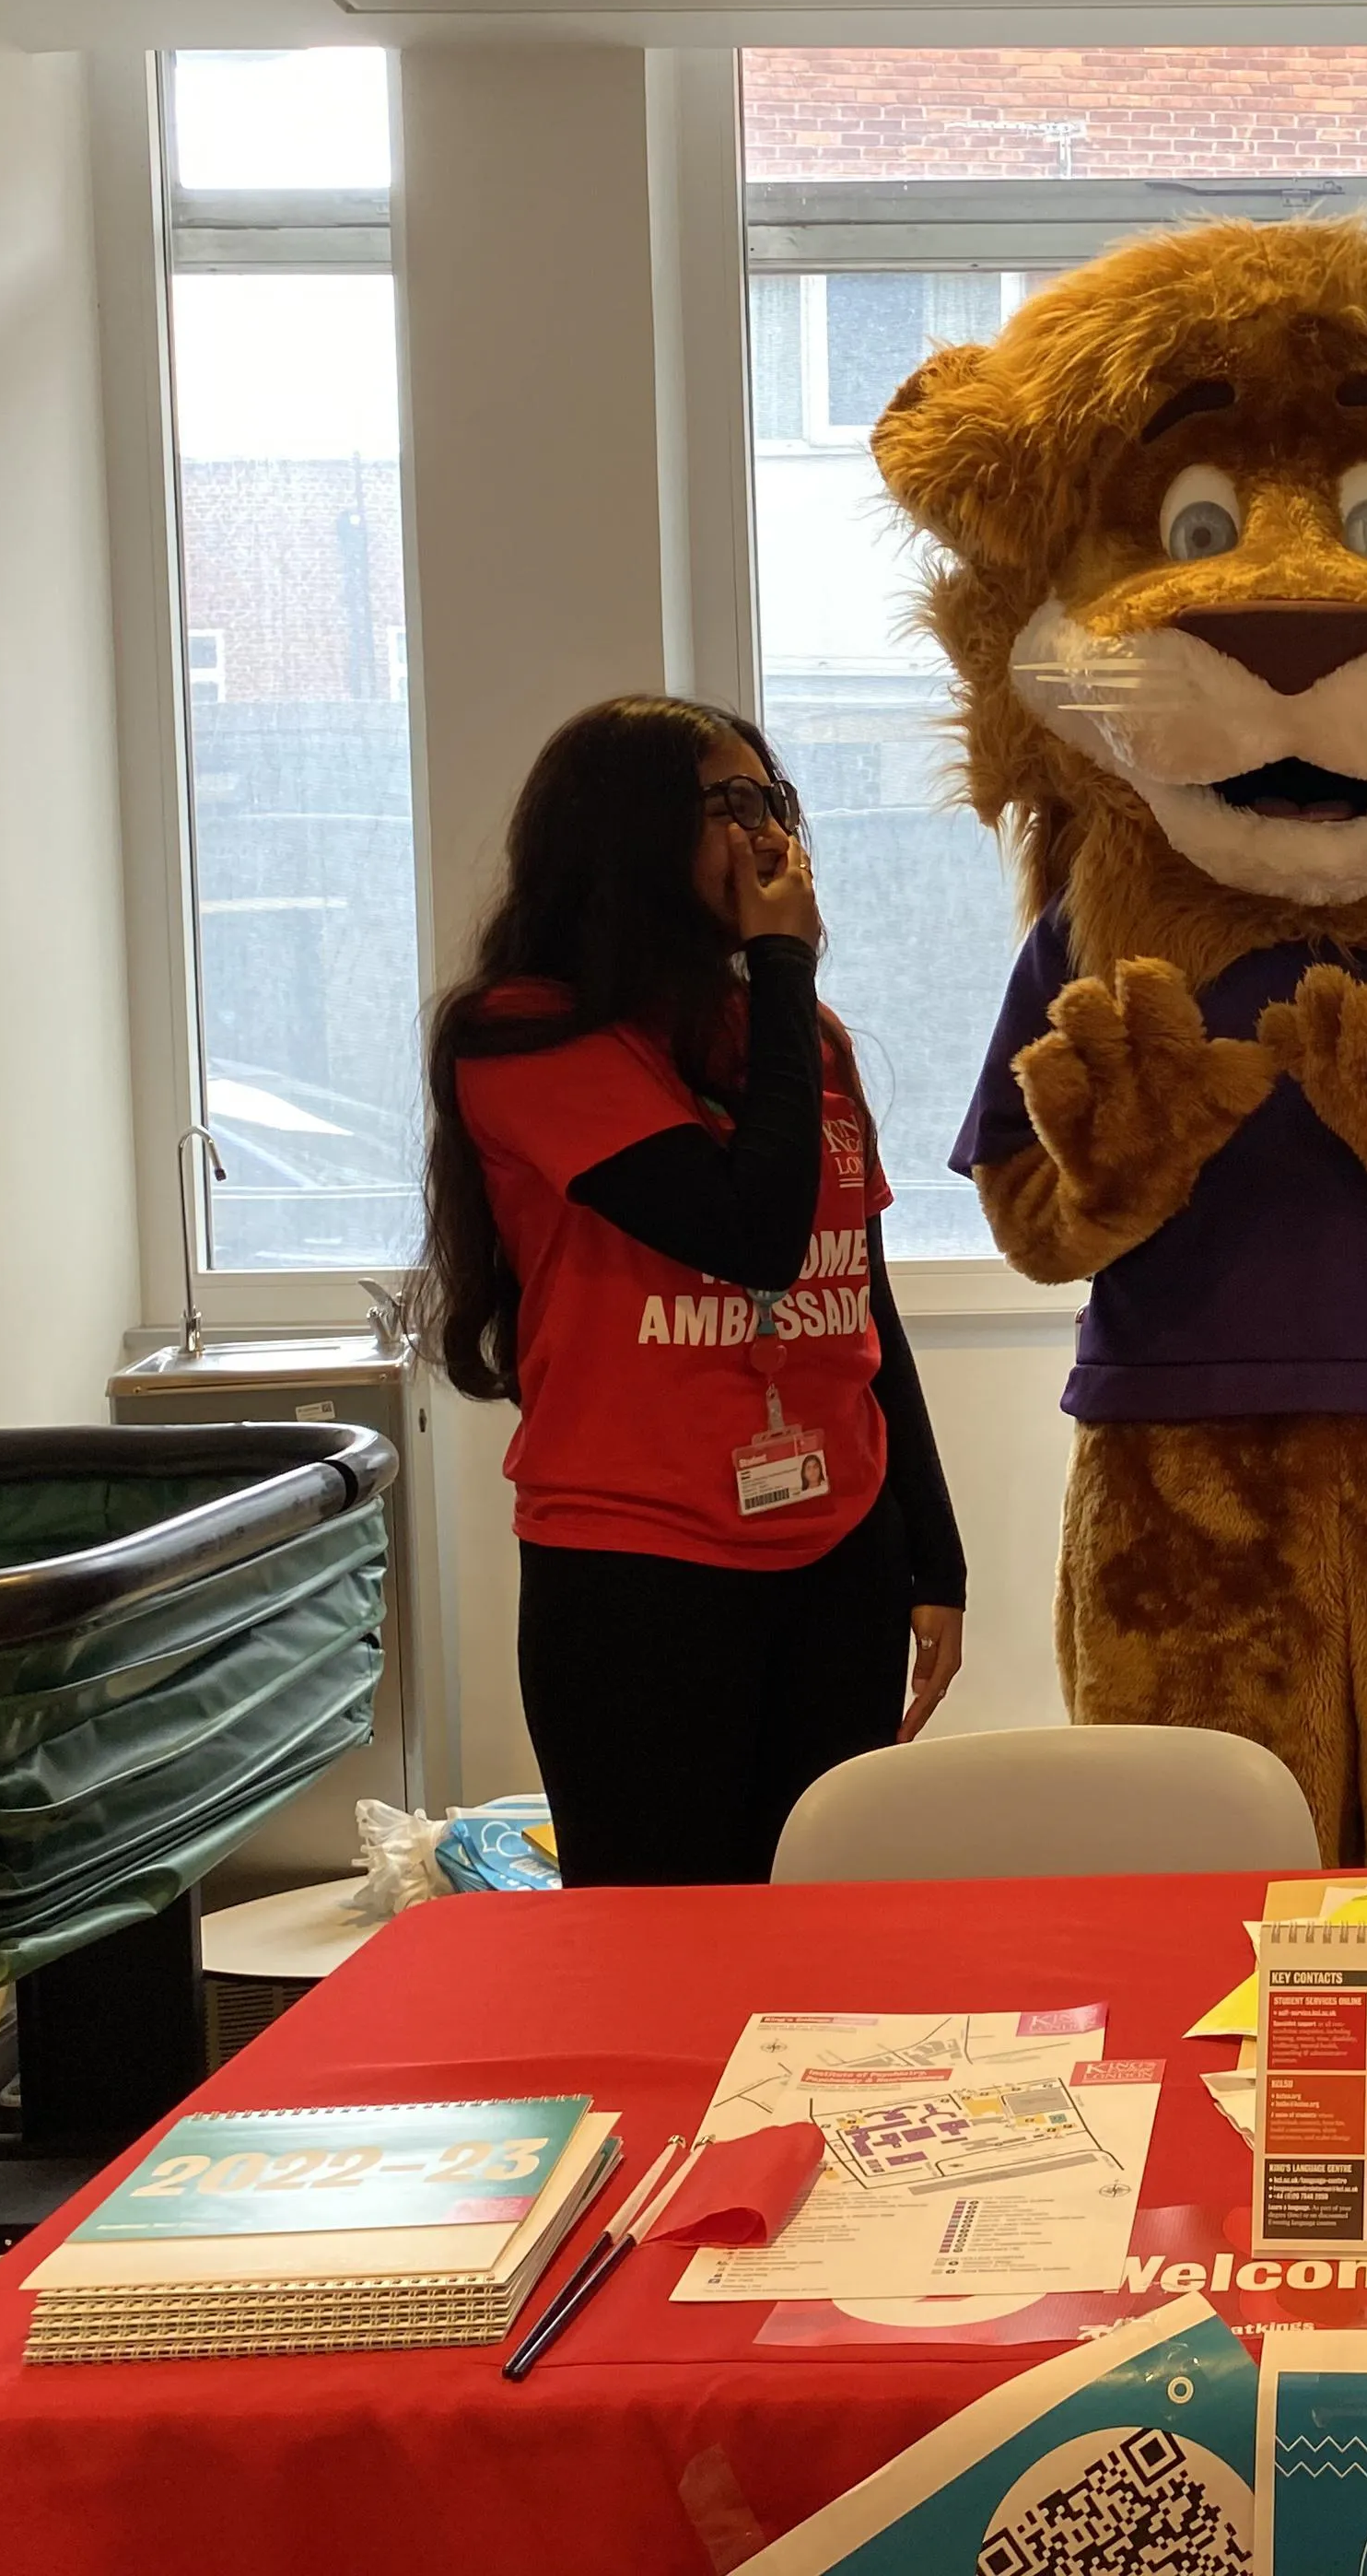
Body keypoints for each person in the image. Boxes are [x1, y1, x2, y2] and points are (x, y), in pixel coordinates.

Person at [421, 696, 964, 1886]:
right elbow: (753, 1234)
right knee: (661, 1953)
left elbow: (857, 1305)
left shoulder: (796, 1036)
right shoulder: (525, 1038)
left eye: (775, 800)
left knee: (823, 1926)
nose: (770, 835)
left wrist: (936, 1559)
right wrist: (780, 961)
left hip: (840, 1550)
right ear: (626, 833)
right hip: (641, 1571)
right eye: (730, 805)